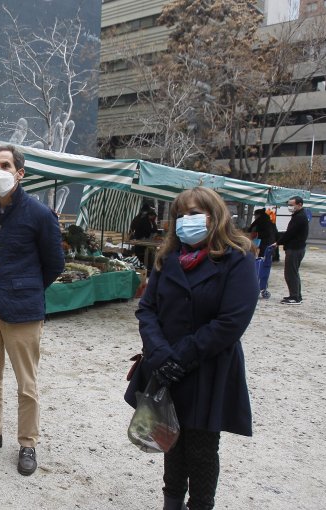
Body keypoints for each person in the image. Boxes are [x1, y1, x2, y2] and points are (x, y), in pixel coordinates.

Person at [125, 187, 258, 510]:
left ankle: (200, 504)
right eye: (180, 215)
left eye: (194, 213)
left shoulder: (237, 259)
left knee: (201, 446)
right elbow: (148, 310)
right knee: (169, 437)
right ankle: (171, 503)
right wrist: (158, 353)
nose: (187, 221)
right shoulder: (167, 259)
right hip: (165, 364)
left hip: (207, 367)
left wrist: (182, 355)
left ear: (214, 216)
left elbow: (231, 321)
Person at [0, 145, 64, 476]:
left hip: (23, 310)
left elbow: (54, 264)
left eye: (5, 165)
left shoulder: (39, 214)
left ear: (20, 172)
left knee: (26, 384)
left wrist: (26, 288)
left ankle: (28, 442)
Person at [276, 196, 309, 305]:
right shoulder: (298, 215)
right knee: (293, 272)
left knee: (291, 273)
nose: (290, 207)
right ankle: (295, 295)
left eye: (292, 205)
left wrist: (278, 242)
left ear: (299, 205)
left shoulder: (300, 217)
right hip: (296, 248)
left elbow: (290, 233)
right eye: (289, 205)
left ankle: (295, 297)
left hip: (295, 249)